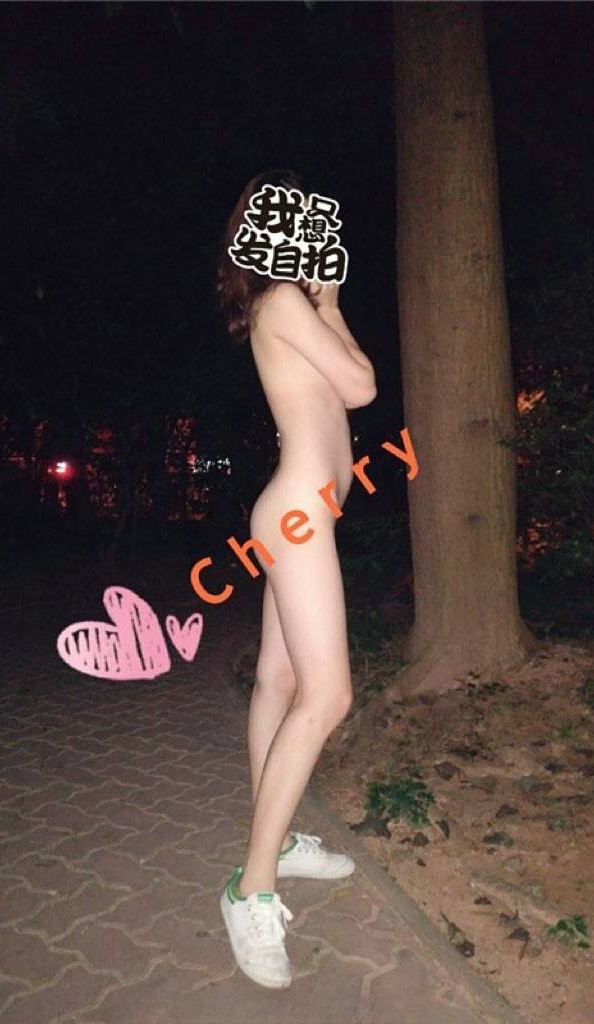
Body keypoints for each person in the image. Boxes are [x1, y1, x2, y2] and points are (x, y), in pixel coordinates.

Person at [214, 168, 377, 988]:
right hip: (298, 517)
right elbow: (362, 387)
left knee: (278, 683)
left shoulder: (288, 307)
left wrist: (331, 305)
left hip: (301, 515)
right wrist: (333, 304)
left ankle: (275, 845)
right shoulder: (284, 303)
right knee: (328, 695)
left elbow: (347, 386)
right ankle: (251, 890)